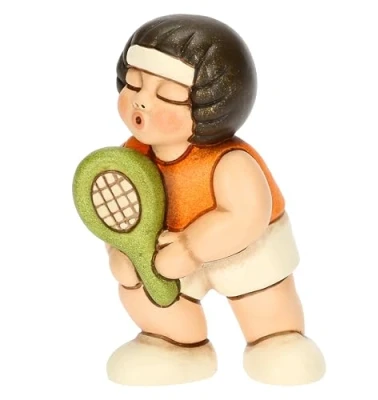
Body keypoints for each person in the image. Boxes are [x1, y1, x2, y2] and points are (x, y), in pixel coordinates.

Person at [106, 13, 325, 386]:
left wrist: (192, 248)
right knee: (146, 291)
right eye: (134, 84)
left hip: (245, 249)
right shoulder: (131, 156)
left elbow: (245, 216)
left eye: (166, 94)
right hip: (163, 249)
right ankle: (173, 343)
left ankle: (276, 339)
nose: (141, 102)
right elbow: (118, 212)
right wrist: (122, 253)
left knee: (261, 295)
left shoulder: (229, 162)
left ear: (211, 105)